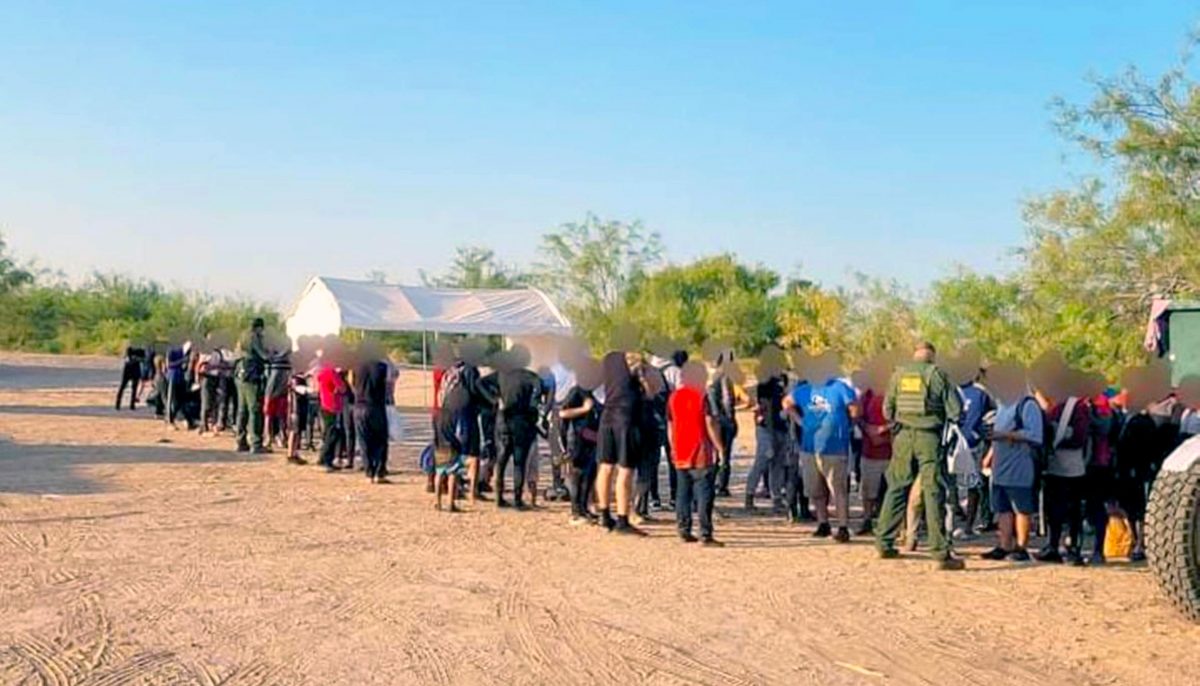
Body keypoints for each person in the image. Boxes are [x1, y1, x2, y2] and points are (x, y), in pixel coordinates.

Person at [875, 342, 966, 570]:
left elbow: (887, 410)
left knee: (896, 487)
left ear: (914, 355)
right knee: (933, 491)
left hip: (903, 438)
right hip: (929, 438)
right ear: (932, 357)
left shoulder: (898, 375)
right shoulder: (937, 375)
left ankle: (884, 543)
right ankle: (940, 553)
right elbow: (956, 412)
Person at [784, 368, 858, 542]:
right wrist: (800, 421)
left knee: (837, 488)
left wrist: (848, 426)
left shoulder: (839, 387)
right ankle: (823, 523)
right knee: (815, 489)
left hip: (835, 447)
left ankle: (842, 526)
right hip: (810, 447)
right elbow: (786, 402)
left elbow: (854, 408)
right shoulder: (804, 390)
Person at [979, 377, 1044, 563]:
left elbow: (1035, 435)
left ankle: (1021, 547)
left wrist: (1006, 435)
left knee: (1021, 508)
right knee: (1003, 508)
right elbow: (996, 433)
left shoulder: (1028, 405)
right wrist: (989, 456)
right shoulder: (1002, 405)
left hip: (1019, 466)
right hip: (1000, 466)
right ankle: (1004, 545)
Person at [670, 360, 725, 546]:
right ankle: (705, 533)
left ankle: (683, 528)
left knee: (683, 492)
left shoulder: (674, 397)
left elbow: (670, 425)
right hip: (701, 450)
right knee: (704, 493)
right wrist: (720, 447)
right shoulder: (703, 395)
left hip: (680, 450)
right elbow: (710, 423)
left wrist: (673, 446)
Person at [595, 350, 646, 535]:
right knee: (625, 469)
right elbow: (649, 391)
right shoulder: (633, 360)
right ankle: (622, 519)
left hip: (607, 416)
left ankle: (604, 515)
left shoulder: (608, 359)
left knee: (605, 467)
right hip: (626, 418)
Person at [1037, 392, 1091, 565]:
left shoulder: (1078, 407)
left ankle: (1073, 548)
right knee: (1053, 510)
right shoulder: (1055, 407)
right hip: (1054, 466)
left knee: (1073, 511)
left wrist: (1059, 435)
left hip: (1072, 467)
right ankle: (1053, 546)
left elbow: (1079, 438)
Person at [493, 346, 543, 510]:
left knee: (501, 460)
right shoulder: (531, 377)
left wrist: (494, 400)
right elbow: (540, 393)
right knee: (518, 463)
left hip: (504, 419)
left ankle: (499, 497)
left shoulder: (501, 374)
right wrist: (533, 409)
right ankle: (517, 499)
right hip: (522, 422)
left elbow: (480, 384)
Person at [560, 358, 602, 525]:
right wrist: (583, 409)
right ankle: (576, 511)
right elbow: (563, 413)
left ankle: (584, 509)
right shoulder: (576, 391)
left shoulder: (592, 393)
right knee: (577, 475)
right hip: (578, 439)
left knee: (590, 475)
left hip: (592, 440)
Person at [957, 369, 996, 536]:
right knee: (967, 486)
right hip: (960, 443)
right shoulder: (955, 390)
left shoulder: (982, 393)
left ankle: (972, 523)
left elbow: (994, 415)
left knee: (974, 484)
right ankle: (966, 522)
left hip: (972, 445)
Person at [746, 367, 789, 515]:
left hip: (782, 427)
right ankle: (749, 496)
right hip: (767, 427)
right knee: (761, 462)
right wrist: (771, 435)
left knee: (778, 465)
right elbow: (766, 407)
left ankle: (776, 498)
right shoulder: (765, 381)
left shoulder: (783, 378)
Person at [857, 383, 891, 535]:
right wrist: (868, 429)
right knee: (868, 490)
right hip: (869, 451)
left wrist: (884, 429)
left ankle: (893, 525)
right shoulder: (867, 394)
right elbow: (858, 416)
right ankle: (867, 520)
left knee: (893, 490)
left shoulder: (895, 391)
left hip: (892, 451)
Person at [707, 352, 741, 498]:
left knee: (715, 453)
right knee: (724, 454)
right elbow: (728, 399)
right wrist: (730, 418)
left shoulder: (710, 377)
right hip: (724, 420)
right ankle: (722, 485)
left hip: (712, 419)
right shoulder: (725, 377)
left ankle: (711, 482)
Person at [353, 349, 390, 484]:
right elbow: (389, 382)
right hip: (376, 406)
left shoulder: (356, 367)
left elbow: (353, 384)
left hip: (359, 405)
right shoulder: (382, 367)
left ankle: (369, 472)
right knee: (381, 440)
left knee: (364, 441)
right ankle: (379, 472)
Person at [234, 319, 269, 453]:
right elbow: (263, 355)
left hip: (239, 374)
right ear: (259, 327)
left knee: (241, 410)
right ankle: (256, 443)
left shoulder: (242, 336)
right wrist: (274, 355)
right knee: (254, 409)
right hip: (251, 375)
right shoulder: (254, 337)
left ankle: (240, 441)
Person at [316, 352, 348, 471]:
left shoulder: (322, 372)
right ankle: (326, 459)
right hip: (332, 405)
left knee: (328, 433)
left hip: (324, 404)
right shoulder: (331, 372)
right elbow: (342, 388)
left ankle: (324, 458)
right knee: (332, 434)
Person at [115, 346, 145, 410]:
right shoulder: (139, 354)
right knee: (133, 388)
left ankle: (118, 404)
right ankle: (131, 405)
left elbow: (126, 358)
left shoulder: (130, 355)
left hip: (129, 368)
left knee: (123, 387)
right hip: (134, 369)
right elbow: (143, 360)